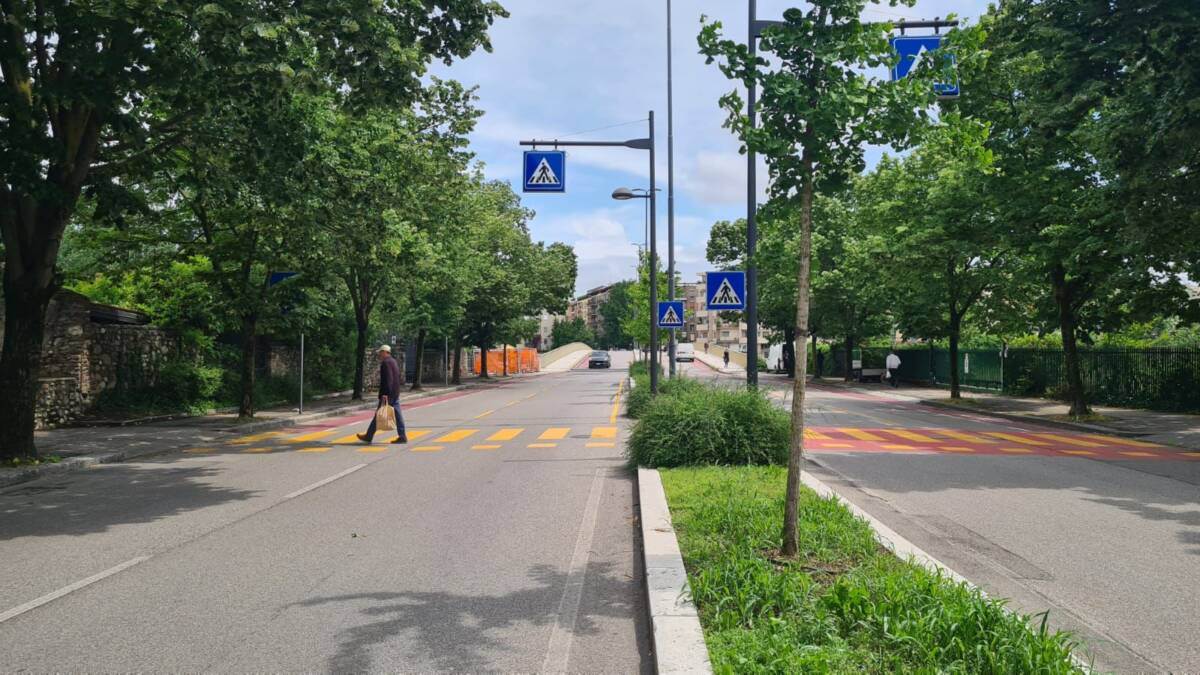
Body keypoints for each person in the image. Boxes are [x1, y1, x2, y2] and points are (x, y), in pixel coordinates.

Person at [358, 345, 408, 444]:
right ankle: (402, 436)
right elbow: (397, 377)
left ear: (385, 352)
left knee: (379, 414)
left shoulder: (386, 363)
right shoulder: (393, 361)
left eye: (381, 352)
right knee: (398, 415)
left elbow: (388, 379)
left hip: (388, 394)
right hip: (395, 392)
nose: (379, 354)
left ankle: (368, 436)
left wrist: (385, 393)